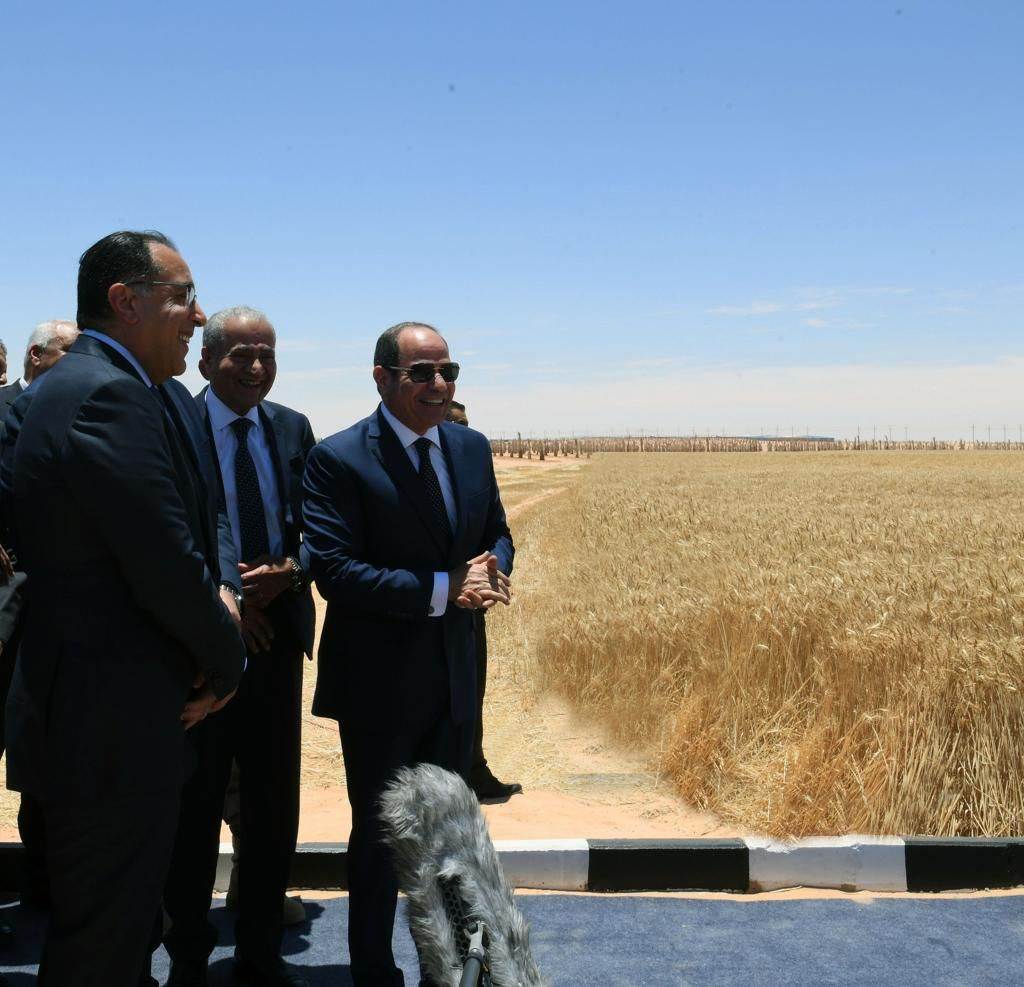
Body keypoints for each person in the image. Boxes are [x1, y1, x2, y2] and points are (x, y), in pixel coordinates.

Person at [0, 230, 246, 986]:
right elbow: (163, 561)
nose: (198, 316)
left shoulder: (93, 384)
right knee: (102, 947)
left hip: (101, 717)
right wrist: (227, 659)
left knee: (111, 936)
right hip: (108, 725)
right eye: (182, 297)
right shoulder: (106, 394)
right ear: (124, 300)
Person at [303, 321, 514, 986]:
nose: (439, 384)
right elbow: (336, 571)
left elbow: (497, 531)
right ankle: (373, 970)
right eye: (422, 373)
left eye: (449, 371)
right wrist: (447, 588)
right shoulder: (339, 458)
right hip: (379, 688)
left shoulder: (471, 447)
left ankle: (448, 971)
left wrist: (493, 568)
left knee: (454, 841)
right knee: (381, 842)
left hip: (456, 678)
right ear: (382, 378)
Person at [163, 306, 315, 987]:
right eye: (240, 355)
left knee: (271, 806)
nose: (256, 367)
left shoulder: (292, 428)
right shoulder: (175, 426)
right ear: (205, 361)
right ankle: (188, 957)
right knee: (193, 810)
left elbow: (318, 525)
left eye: (267, 354)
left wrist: (293, 571)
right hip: (199, 651)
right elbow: (173, 534)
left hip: (275, 644)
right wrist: (227, 608)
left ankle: (258, 951)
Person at [0, 320, 80, 945]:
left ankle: (46, 884)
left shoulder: (87, 413)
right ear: (36, 356)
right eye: (71, 354)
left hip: (66, 617)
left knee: (53, 752)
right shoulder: (5, 413)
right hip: (5, 613)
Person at [444, 401, 522, 801]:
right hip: (422, 605)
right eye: (454, 422)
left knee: (473, 691)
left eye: (465, 423)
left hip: (473, 605)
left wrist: (494, 572)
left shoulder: (473, 459)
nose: (462, 430)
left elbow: (499, 532)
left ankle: (474, 768)